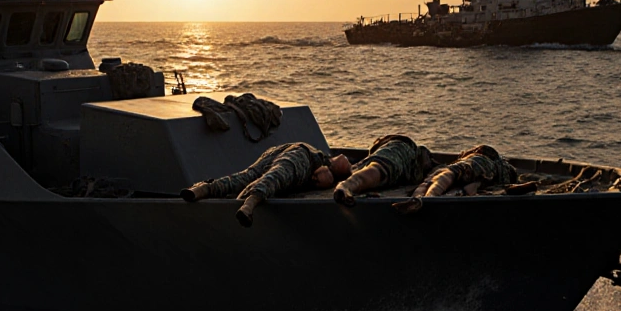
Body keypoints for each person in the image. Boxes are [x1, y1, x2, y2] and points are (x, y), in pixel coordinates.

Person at [182, 143, 352, 227]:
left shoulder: (319, 159)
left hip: (275, 152)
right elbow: (340, 163)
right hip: (302, 157)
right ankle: (249, 205)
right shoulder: (319, 164)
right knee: (275, 177)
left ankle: (202, 189)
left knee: (243, 177)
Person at [393, 144, 519, 213]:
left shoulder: (484, 156)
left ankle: (424, 199)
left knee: (445, 175)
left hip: (479, 163)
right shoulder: (497, 174)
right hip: (482, 175)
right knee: (441, 181)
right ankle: (420, 200)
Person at [333, 134, 434, 206]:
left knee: (378, 170)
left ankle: (346, 186)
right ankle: (346, 187)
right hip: (400, 150)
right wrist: (346, 187)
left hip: (405, 167)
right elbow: (373, 170)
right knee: (379, 169)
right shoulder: (398, 147)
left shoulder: (416, 166)